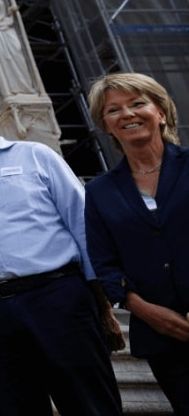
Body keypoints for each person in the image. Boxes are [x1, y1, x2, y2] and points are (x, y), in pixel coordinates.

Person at [0, 83, 122, 415]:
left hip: (57, 299)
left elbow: (82, 225)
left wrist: (103, 308)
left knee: (90, 404)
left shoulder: (37, 156)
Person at [85, 73, 189, 413]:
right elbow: (104, 264)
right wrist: (147, 311)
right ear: (106, 125)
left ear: (161, 111)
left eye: (137, 104)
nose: (127, 114)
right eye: (114, 110)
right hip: (164, 340)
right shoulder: (99, 192)